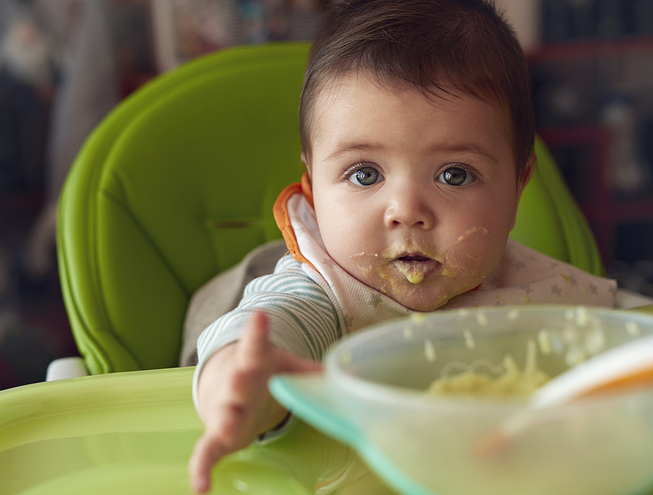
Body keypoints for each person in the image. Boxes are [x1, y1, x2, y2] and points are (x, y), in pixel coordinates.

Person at [188, 0, 617, 492]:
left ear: (517, 190)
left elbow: (648, 342)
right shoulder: (324, 292)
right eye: (364, 173)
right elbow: (272, 326)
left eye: (454, 174)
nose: (405, 210)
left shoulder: (541, 289)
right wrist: (241, 384)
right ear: (312, 188)